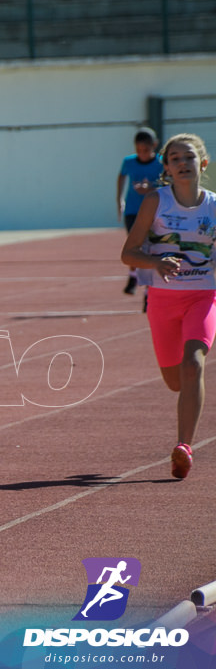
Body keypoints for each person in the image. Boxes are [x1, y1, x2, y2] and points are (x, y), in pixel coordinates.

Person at [121, 133, 214, 479]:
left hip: (203, 296)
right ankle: (184, 431)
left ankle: (184, 447)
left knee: (194, 364)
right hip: (162, 300)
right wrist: (156, 263)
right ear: (167, 169)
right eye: (174, 159)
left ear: (202, 163)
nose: (182, 163)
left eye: (188, 157)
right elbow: (127, 254)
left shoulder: (214, 206)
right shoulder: (155, 202)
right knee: (176, 382)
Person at [117, 127, 163, 299]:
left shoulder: (161, 162)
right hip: (133, 211)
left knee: (149, 248)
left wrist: (151, 188)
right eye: (139, 150)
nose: (142, 154)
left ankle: (146, 290)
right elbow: (121, 177)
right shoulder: (129, 162)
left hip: (153, 211)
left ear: (154, 145)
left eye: (146, 150)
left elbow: (168, 184)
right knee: (134, 246)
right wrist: (119, 199)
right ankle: (133, 277)